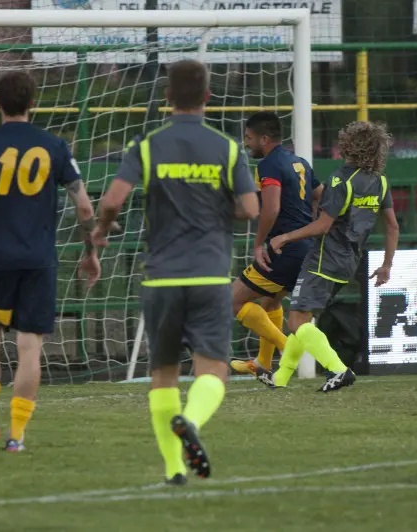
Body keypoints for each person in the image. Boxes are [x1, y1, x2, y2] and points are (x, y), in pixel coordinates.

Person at [92, 59, 259, 484]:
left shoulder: (149, 145)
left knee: (163, 374)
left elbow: (112, 200)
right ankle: (193, 421)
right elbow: (251, 208)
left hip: (161, 277)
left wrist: (103, 228)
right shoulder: (227, 147)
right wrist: (218, 205)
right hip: (209, 275)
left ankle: (173, 469)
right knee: (213, 369)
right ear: (207, 96)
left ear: (167, 97)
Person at [0, 71, 101, 452]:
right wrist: (90, 251)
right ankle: (16, 437)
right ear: (32, 103)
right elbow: (85, 205)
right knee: (29, 346)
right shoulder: (54, 145)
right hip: (39, 261)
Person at [269, 120, 399, 392]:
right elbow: (392, 226)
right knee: (303, 321)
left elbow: (323, 225)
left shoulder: (341, 179)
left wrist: (285, 236)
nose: (341, 143)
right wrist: (386, 265)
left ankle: (339, 370)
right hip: (348, 262)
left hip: (324, 259)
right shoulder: (380, 182)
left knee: (295, 321)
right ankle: (279, 379)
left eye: (345, 139)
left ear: (352, 146)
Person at [230, 111, 323, 384]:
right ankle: (263, 364)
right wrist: (311, 225)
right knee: (271, 301)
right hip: (303, 248)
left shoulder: (269, 165)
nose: (246, 144)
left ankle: (287, 346)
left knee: (232, 301)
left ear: (265, 139)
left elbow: (271, 208)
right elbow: (321, 195)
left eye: (249, 138)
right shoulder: (300, 162)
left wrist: (259, 243)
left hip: (283, 249)